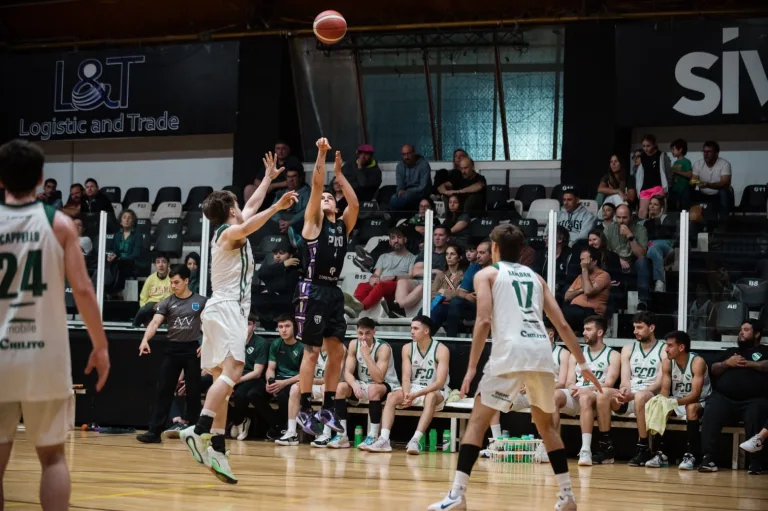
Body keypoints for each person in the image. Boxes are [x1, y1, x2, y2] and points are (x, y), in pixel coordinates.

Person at [428, 224, 601, 511]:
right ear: (521, 250)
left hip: (510, 351)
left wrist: (471, 368)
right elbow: (561, 325)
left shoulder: (487, 274)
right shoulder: (535, 277)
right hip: (541, 352)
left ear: (494, 247)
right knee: (546, 427)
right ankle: (567, 496)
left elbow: (483, 321)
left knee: (477, 423)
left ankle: (457, 496)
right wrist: (583, 363)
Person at [0, 139, 110, 511]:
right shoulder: (59, 223)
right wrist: (101, 346)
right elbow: (82, 288)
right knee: (52, 459)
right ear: (41, 178)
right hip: (44, 356)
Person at [180, 151, 298, 484]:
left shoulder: (233, 226)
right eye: (238, 204)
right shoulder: (229, 234)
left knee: (224, 383)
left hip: (218, 309)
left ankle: (217, 447)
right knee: (234, 371)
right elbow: (251, 220)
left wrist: (268, 180)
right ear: (232, 208)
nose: (243, 206)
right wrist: (276, 208)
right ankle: (200, 428)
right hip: (228, 308)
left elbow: (250, 209)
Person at [295, 138, 359, 437]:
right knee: (312, 352)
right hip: (313, 290)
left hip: (333, 291)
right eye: (323, 199)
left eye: (331, 198)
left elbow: (355, 203)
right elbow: (318, 184)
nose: (326, 199)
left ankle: (329, 406)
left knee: (337, 352)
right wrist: (321, 153)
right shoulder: (313, 223)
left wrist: (340, 173)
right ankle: (305, 409)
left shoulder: (342, 225)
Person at [137, 264, 207, 443]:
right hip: (172, 349)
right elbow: (154, 323)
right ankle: (154, 432)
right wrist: (145, 340)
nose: (173, 286)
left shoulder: (201, 301)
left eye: (176, 282)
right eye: (171, 283)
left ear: (186, 281)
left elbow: (210, 325)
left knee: (193, 392)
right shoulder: (167, 302)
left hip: (192, 349)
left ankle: (195, 431)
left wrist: (207, 343)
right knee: (164, 390)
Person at [365, 316, 450, 454]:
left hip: (435, 389)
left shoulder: (441, 349)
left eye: (415, 328)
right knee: (392, 396)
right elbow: (405, 377)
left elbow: (439, 382)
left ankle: (415, 440)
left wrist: (415, 395)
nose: (412, 331)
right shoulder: (407, 348)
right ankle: (384, 439)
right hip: (414, 387)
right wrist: (406, 394)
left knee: (430, 397)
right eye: (411, 328)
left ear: (426, 330)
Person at [593, 311, 667, 466]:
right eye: (634, 327)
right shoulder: (628, 349)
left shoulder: (664, 349)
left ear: (651, 328)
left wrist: (634, 394)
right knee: (603, 393)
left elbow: (659, 383)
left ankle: (643, 448)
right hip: (631, 394)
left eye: (639, 328)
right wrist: (624, 390)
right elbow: (625, 379)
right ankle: (606, 447)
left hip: (650, 396)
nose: (635, 331)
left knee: (640, 396)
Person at [700, 320, 768, 474]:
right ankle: (708, 457)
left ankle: (756, 462)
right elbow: (714, 369)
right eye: (740, 330)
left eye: (746, 330)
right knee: (712, 408)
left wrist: (748, 363)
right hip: (725, 398)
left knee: (757, 411)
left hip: (754, 399)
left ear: (757, 334)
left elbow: (766, 365)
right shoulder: (730, 352)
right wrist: (726, 363)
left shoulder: (764, 351)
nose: (741, 333)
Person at [554, 316, 620, 467]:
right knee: (554, 396)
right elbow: (570, 379)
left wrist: (587, 388)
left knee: (584, 397)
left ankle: (585, 450)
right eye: (584, 329)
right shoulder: (576, 354)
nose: (584, 332)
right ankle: (550, 446)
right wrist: (571, 386)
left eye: (589, 329)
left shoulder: (613, 355)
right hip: (578, 393)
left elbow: (609, 383)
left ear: (600, 332)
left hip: (597, 396)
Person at [332, 317, 401, 449]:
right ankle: (342, 435)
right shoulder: (353, 344)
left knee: (374, 388)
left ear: (374, 332)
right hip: (363, 383)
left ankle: (373, 435)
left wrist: (367, 356)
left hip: (387, 385)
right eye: (360, 333)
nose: (363, 337)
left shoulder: (383, 348)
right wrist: (354, 385)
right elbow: (347, 373)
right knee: (340, 387)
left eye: (367, 333)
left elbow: (378, 379)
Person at [648, 330, 711, 470]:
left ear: (681, 347)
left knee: (691, 408)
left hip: (702, 401)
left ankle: (692, 455)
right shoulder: (667, 363)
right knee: (660, 406)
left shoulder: (697, 362)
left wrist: (673, 402)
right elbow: (664, 391)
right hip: (679, 401)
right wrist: (662, 402)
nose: (666, 349)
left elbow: (695, 395)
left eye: (670, 345)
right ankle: (661, 453)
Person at [281, 341, 346, 448]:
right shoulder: (310, 346)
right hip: (314, 384)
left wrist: (311, 381)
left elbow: (335, 377)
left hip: (332, 387)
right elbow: (303, 373)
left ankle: (326, 434)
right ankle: (291, 432)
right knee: (294, 388)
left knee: (325, 387)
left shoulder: (339, 347)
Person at [228, 315, 269, 441]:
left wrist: (236, 381)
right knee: (218, 392)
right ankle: (239, 421)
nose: (245, 327)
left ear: (254, 326)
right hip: (233, 375)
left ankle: (238, 421)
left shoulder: (261, 343)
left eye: (248, 324)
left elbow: (257, 372)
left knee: (240, 394)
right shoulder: (233, 341)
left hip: (252, 378)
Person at [603, 204, 651, 308]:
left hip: (633, 264)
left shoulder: (640, 230)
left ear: (631, 217)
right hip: (615, 265)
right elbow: (604, 252)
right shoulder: (609, 229)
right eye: (618, 217)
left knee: (643, 262)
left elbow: (641, 255)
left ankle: (642, 300)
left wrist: (630, 236)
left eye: (624, 217)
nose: (621, 221)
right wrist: (618, 259)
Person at [562, 247, 611, 331]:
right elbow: (567, 296)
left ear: (594, 261)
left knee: (563, 312)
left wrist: (584, 269)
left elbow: (588, 291)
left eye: (584, 260)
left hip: (592, 313)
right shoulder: (580, 277)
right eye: (581, 260)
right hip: (575, 310)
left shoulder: (603, 275)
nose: (581, 263)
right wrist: (581, 289)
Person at [692, 141, 732, 222]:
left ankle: (723, 223)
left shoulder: (725, 164)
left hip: (718, 194)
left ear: (716, 153)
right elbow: (693, 180)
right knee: (688, 191)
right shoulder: (698, 164)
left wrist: (707, 184)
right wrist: (694, 182)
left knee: (724, 192)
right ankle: (688, 221)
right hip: (703, 193)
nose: (706, 154)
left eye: (709, 152)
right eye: (704, 151)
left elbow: (725, 183)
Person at [635, 134, 671, 219]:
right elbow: (641, 173)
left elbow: (668, 172)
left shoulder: (661, 155)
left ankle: (659, 229)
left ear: (654, 144)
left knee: (657, 211)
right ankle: (641, 230)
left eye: (648, 146)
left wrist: (667, 187)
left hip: (657, 187)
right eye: (643, 146)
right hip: (645, 188)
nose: (646, 148)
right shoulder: (643, 156)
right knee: (642, 212)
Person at [389, 144, 432, 213]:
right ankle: (393, 219)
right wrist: (400, 190)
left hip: (421, 193)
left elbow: (422, 187)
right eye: (404, 154)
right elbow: (399, 185)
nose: (406, 157)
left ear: (414, 153)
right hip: (405, 193)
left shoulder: (424, 165)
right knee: (393, 196)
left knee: (399, 198)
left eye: (408, 154)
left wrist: (407, 192)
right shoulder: (400, 166)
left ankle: (390, 217)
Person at [132, 254, 172, 327]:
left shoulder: (173, 278)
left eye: (164, 262)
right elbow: (143, 298)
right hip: (151, 307)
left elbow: (177, 297)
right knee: (146, 308)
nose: (161, 265)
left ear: (168, 264)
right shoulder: (150, 279)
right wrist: (145, 309)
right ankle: (134, 326)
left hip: (166, 306)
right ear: (154, 265)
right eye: (158, 262)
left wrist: (162, 303)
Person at [668, 139, 693, 211]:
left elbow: (689, 175)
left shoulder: (686, 161)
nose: (672, 151)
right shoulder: (675, 162)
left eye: (673, 149)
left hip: (684, 190)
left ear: (680, 150)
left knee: (684, 209)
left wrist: (676, 172)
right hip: (675, 190)